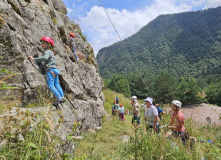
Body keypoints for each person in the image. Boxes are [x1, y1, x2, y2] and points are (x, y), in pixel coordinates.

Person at [28, 37, 65, 108]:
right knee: (56, 84)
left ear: (48, 45)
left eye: (44, 43)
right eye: (42, 43)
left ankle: (59, 98)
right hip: (55, 70)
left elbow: (45, 58)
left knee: (51, 85)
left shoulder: (48, 51)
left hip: (50, 70)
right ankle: (63, 97)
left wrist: (34, 59)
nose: (42, 44)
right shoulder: (51, 52)